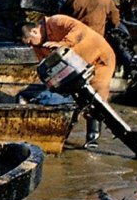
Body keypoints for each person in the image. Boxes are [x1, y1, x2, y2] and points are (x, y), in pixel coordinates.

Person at [20, 14, 116, 148]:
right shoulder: (38, 46)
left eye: (30, 42)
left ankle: (93, 138)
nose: (31, 47)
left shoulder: (56, 21)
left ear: (34, 31)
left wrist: (62, 44)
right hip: (76, 66)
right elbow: (45, 65)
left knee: (96, 98)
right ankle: (64, 133)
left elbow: (78, 30)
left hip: (99, 57)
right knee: (75, 97)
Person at [61, 0, 131, 71]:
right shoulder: (105, 0)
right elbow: (115, 22)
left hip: (75, 43)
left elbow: (62, 20)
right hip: (96, 43)